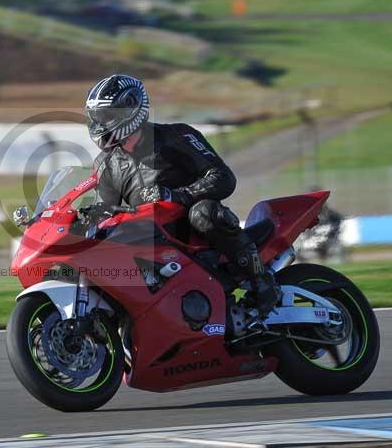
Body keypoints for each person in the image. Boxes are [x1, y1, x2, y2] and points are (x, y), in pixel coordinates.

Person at [85, 74, 279, 315]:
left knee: (204, 213)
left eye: (108, 116)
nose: (102, 123)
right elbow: (103, 214)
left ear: (132, 109)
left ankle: (261, 282)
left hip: (195, 234)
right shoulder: (107, 165)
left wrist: (177, 195)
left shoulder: (176, 137)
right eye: (97, 117)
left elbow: (223, 177)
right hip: (149, 238)